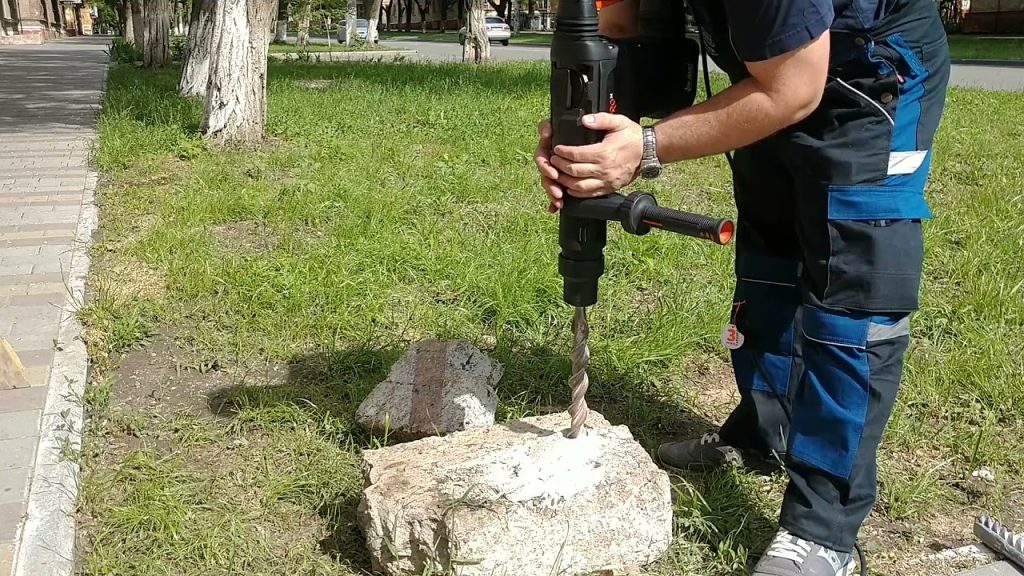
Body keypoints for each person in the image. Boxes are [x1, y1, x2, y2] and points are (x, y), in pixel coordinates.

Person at [534, 0, 951, 574]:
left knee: (850, 287)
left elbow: (794, 89)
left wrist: (646, 148)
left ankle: (822, 528)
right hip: (770, 65)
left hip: (873, 68)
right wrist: (587, 126)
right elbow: (620, 27)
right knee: (769, 253)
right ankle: (764, 432)